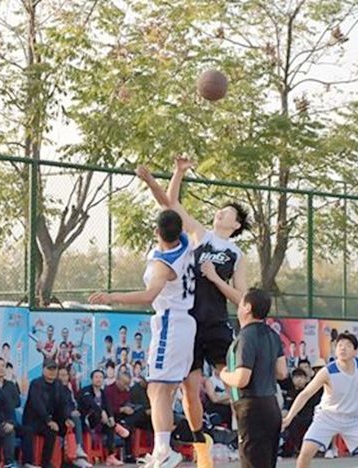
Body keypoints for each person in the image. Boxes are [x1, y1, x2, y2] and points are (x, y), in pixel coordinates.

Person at [137, 159, 249, 468]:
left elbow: (242, 298)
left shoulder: (236, 254)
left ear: (236, 225)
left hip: (216, 322)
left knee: (230, 379)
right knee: (190, 388)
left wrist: (215, 279)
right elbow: (170, 204)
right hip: (189, 324)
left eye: (228, 211)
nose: (221, 212)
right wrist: (178, 172)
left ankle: (245, 433)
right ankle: (201, 446)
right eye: (220, 209)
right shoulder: (200, 234)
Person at [89, 207, 197, 468]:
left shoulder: (163, 264)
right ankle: (164, 449)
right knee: (164, 390)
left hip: (170, 321)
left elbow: (149, 296)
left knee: (157, 388)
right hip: (184, 322)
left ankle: (163, 451)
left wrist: (112, 297)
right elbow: (171, 205)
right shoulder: (185, 243)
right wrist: (165, 183)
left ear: (156, 231)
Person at [283, 333, 358, 468]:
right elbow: (305, 394)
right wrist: (289, 417)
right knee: (305, 453)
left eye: (348, 345)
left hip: (355, 421)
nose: (343, 348)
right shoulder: (328, 371)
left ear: (355, 351)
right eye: (340, 345)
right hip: (327, 418)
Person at [220, 289, 288, 468]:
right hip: (271, 405)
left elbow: (242, 379)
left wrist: (224, 375)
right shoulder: (273, 335)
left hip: (251, 408)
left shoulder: (245, 337)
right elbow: (282, 372)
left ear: (248, 308)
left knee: (252, 461)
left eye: (241, 303)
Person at [21, 358, 67, 468]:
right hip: (33, 420)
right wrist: (49, 420)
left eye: (54, 369)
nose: (52, 372)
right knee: (28, 431)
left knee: (54, 431)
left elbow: (62, 403)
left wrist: (66, 418)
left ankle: (46, 462)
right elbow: (37, 404)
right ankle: (28, 462)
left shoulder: (58, 384)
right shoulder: (36, 383)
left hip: (48, 421)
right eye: (49, 369)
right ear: (43, 370)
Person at [78, 369, 126, 466]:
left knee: (110, 426)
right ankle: (116, 427)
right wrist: (101, 412)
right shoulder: (85, 390)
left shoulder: (103, 393)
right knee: (97, 413)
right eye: (96, 377)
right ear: (92, 379)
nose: (98, 379)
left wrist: (111, 417)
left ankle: (110, 457)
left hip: (101, 422)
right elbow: (90, 403)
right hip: (87, 421)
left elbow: (108, 406)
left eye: (101, 377)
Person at [280, 368, 321, 456]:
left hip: (310, 416)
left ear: (306, 379)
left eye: (301, 377)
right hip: (295, 417)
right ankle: (297, 447)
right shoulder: (290, 393)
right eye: (296, 377)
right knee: (291, 422)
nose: (299, 379)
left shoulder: (311, 391)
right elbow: (287, 407)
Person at [57, 365, 92, 468]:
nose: (63, 378)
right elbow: (58, 407)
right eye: (60, 375)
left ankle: (78, 455)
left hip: (68, 418)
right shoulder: (55, 390)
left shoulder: (67, 390)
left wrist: (73, 411)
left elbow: (71, 405)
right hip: (58, 419)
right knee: (76, 419)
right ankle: (78, 448)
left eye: (65, 375)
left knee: (80, 418)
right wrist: (68, 415)